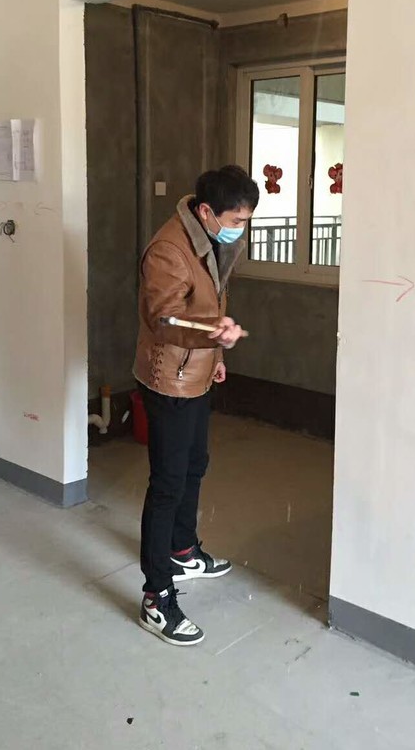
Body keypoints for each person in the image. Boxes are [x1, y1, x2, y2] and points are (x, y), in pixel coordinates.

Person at [133, 165, 259, 646]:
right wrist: (215, 338)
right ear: (207, 211)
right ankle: (156, 597)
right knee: (167, 484)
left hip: (198, 370)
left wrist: (217, 355)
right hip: (170, 377)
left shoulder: (209, 238)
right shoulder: (169, 250)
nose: (240, 228)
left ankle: (182, 550)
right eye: (236, 219)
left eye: (246, 220)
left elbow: (212, 306)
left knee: (194, 464)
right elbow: (164, 319)